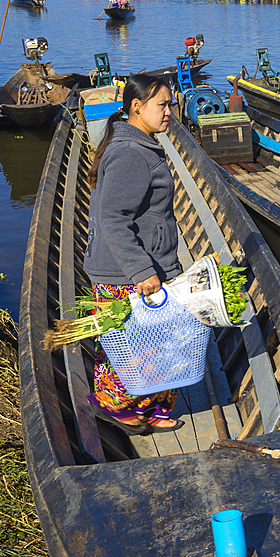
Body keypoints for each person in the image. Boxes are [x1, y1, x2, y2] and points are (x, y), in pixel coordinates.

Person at [84, 74, 184, 435]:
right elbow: (112, 219)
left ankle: (152, 404)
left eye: (170, 104)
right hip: (124, 271)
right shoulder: (130, 154)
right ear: (137, 107)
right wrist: (143, 271)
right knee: (129, 345)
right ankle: (114, 406)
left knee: (156, 342)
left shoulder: (141, 144)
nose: (170, 111)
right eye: (163, 105)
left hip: (146, 261)